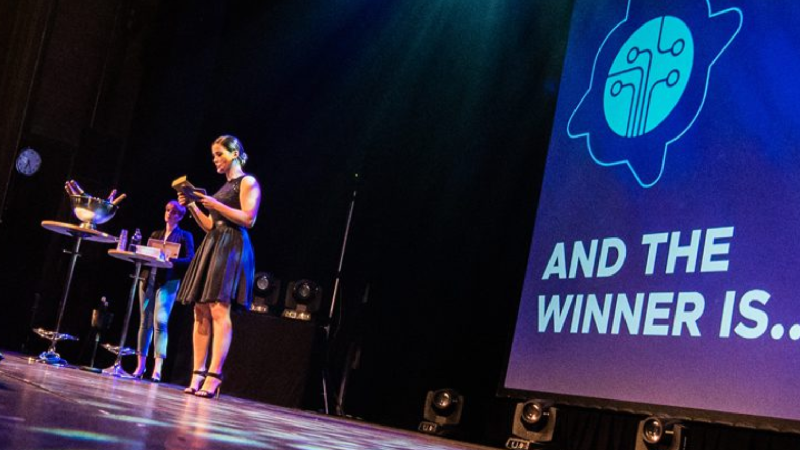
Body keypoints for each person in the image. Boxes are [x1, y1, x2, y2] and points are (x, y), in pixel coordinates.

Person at [177, 134, 261, 398]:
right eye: (213, 155)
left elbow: (249, 218)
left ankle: (214, 376)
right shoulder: (223, 188)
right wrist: (193, 205)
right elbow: (209, 226)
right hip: (214, 242)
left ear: (234, 153)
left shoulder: (247, 182)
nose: (215, 159)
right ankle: (198, 373)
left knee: (218, 308)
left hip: (232, 245)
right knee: (200, 309)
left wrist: (214, 204)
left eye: (219, 154)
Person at [132, 200, 195, 381]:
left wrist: (171, 260)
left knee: (161, 321)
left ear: (180, 216)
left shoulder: (184, 236)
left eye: (173, 212)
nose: (169, 214)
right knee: (145, 322)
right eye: (167, 210)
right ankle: (140, 366)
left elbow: (190, 259)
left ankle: (157, 368)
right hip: (149, 279)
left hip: (168, 281)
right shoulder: (156, 234)